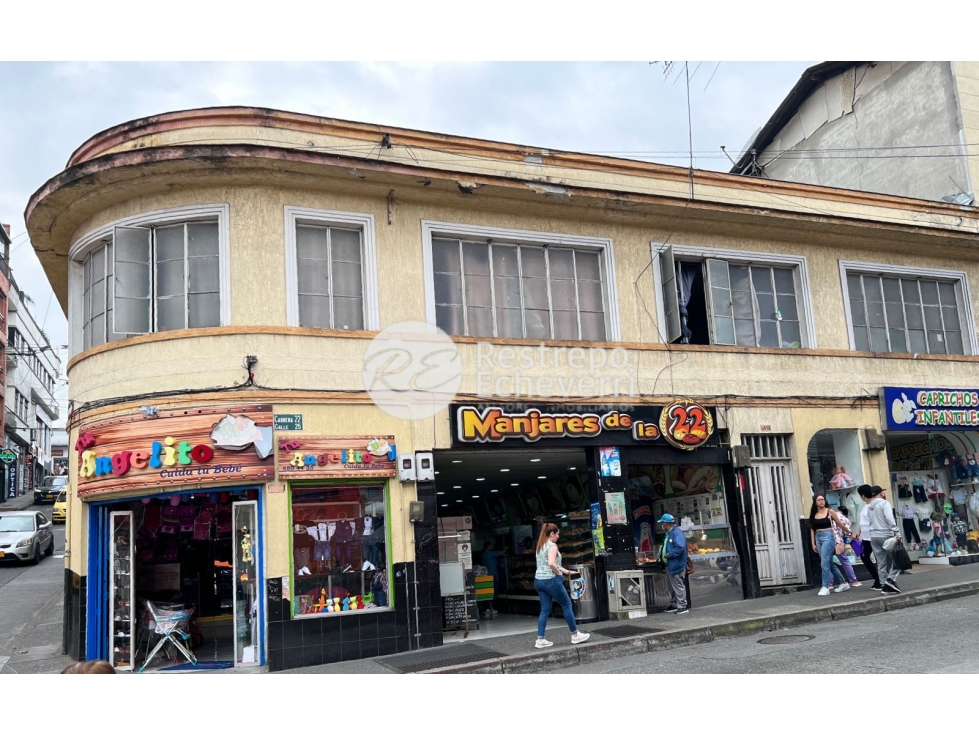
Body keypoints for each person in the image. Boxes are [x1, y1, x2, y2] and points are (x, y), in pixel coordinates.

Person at [533, 523, 590, 649]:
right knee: (567, 605)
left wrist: (568, 572)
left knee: (545, 610)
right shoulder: (552, 546)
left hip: (539, 581)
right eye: (557, 533)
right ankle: (575, 635)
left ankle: (540, 639)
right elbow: (552, 564)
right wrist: (559, 575)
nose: (558, 536)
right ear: (552, 534)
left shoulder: (540, 546)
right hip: (551, 580)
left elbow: (551, 564)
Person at [860, 484, 902, 594]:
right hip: (886, 534)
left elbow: (869, 521)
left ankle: (884, 586)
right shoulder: (885, 503)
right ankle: (890, 580)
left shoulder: (868, 507)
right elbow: (889, 518)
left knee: (881, 563)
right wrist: (896, 531)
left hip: (873, 536)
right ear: (881, 493)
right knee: (898, 559)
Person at [809, 494, 851, 596]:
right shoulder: (814, 514)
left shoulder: (829, 511)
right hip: (818, 537)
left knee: (824, 562)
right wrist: (812, 543)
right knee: (829, 563)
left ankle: (825, 586)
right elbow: (812, 529)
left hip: (828, 537)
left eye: (823, 499)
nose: (821, 501)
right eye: (819, 500)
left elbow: (840, 523)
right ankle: (843, 582)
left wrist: (849, 532)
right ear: (815, 502)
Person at [851, 485, 882, 591]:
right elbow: (863, 522)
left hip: (873, 536)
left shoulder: (873, 506)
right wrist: (858, 531)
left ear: (863, 495)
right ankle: (877, 578)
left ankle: (881, 580)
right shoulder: (865, 506)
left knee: (879, 558)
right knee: (864, 557)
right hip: (866, 537)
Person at [658, 514, 689, 614]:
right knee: (673, 586)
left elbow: (680, 547)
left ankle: (682, 606)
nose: (662, 525)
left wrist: (669, 555)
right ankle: (675, 604)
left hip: (676, 564)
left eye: (662, 523)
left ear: (666, 524)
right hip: (670, 565)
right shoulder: (670, 533)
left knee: (678, 585)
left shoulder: (676, 533)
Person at [833, 507, 861, 587]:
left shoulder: (830, 515)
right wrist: (851, 535)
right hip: (839, 541)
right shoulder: (846, 520)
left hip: (828, 541)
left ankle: (829, 584)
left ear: (838, 509)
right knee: (845, 562)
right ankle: (854, 581)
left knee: (829, 563)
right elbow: (847, 532)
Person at [480, 540, 506, 619]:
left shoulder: (483, 555)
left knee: (486, 593)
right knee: (493, 593)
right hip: (493, 575)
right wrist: (506, 548)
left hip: (486, 576)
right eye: (491, 545)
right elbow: (502, 553)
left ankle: (486, 609)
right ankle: (490, 609)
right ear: (488, 546)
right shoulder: (490, 553)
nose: (492, 547)